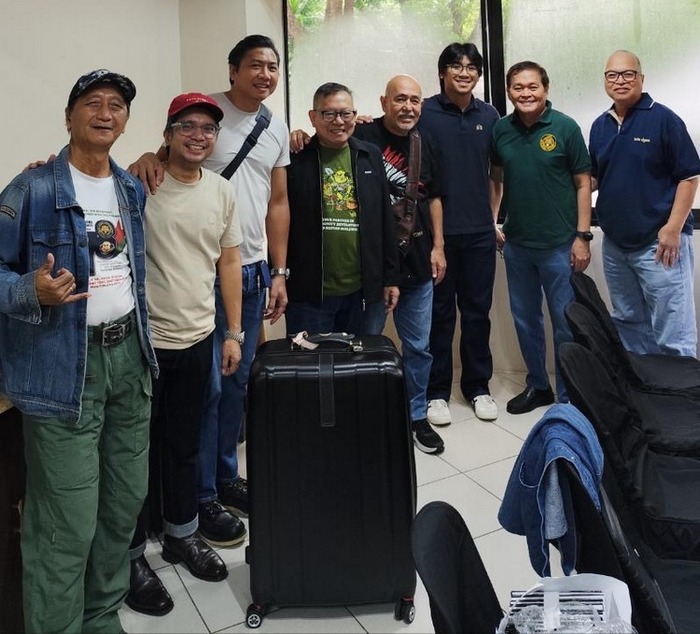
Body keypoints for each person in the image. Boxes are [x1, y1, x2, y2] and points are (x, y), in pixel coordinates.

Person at [0, 69, 158, 633]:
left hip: (129, 360)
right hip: (62, 368)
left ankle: (99, 616)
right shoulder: (32, 189)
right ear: (69, 117)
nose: (105, 112)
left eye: (117, 105)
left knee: (122, 504)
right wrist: (31, 290)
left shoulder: (130, 189)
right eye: (92, 102)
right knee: (65, 521)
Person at [128, 35, 290, 552]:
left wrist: (279, 271)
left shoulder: (276, 126)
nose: (265, 74)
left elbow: (278, 201)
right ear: (233, 69)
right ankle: (196, 495)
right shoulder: (205, 113)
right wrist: (144, 158)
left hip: (250, 268)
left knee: (235, 384)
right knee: (207, 392)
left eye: (273, 66)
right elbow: (167, 157)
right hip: (201, 276)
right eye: (255, 65)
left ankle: (222, 478)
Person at [125, 93, 244, 616]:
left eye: (208, 129)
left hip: (198, 339)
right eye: (187, 126)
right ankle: (131, 556)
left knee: (184, 446)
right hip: (142, 343)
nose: (198, 136)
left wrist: (233, 333)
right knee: (133, 453)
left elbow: (229, 263)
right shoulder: (138, 185)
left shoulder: (221, 191)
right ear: (168, 134)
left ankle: (181, 534)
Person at [490, 61, 592, 413]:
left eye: (532, 86)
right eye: (518, 87)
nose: (525, 93)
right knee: (525, 319)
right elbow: (496, 179)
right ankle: (538, 385)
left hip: (559, 246)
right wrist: (492, 222)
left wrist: (582, 236)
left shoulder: (565, 127)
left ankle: (568, 395)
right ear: (509, 92)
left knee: (565, 323)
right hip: (517, 245)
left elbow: (583, 183)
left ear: (545, 89)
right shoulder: (501, 130)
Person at [353, 75, 447, 454]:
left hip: (418, 260)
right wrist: (298, 136)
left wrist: (439, 247)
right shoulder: (362, 136)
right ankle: (367, 416)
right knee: (367, 345)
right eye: (400, 99)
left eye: (414, 100)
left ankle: (416, 414)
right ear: (384, 102)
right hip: (375, 264)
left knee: (419, 347)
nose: (408, 107)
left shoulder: (427, 142)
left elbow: (434, 197)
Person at [589, 50, 700, 357]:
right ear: (605, 80)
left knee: (673, 333)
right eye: (612, 75)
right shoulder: (600, 125)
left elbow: (689, 178)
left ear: (641, 78)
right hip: (616, 246)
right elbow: (594, 178)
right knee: (628, 324)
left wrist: (672, 229)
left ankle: (680, 389)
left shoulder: (664, 119)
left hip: (659, 244)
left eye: (628, 74)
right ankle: (642, 386)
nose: (620, 80)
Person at [418, 43, 502, 426]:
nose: (464, 72)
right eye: (456, 66)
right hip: (437, 236)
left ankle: (477, 386)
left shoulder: (490, 115)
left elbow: (497, 173)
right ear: (442, 72)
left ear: (478, 75)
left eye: (471, 67)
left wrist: (493, 220)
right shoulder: (424, 112)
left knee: (477, 313)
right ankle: (436, 392)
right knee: (439, 316)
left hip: (480, 234)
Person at [284, 81, 400, 335]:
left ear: (355, 116)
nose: (338, 121)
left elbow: (384, 220)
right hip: (309, 294)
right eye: (329, 114)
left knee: (361, 358)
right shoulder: (295, 159)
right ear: (313, 117)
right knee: (311, 360)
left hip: (363, 293)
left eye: (346, 113)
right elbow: (280, 220)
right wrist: (278, 275)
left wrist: (391, 278)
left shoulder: (369, 156)